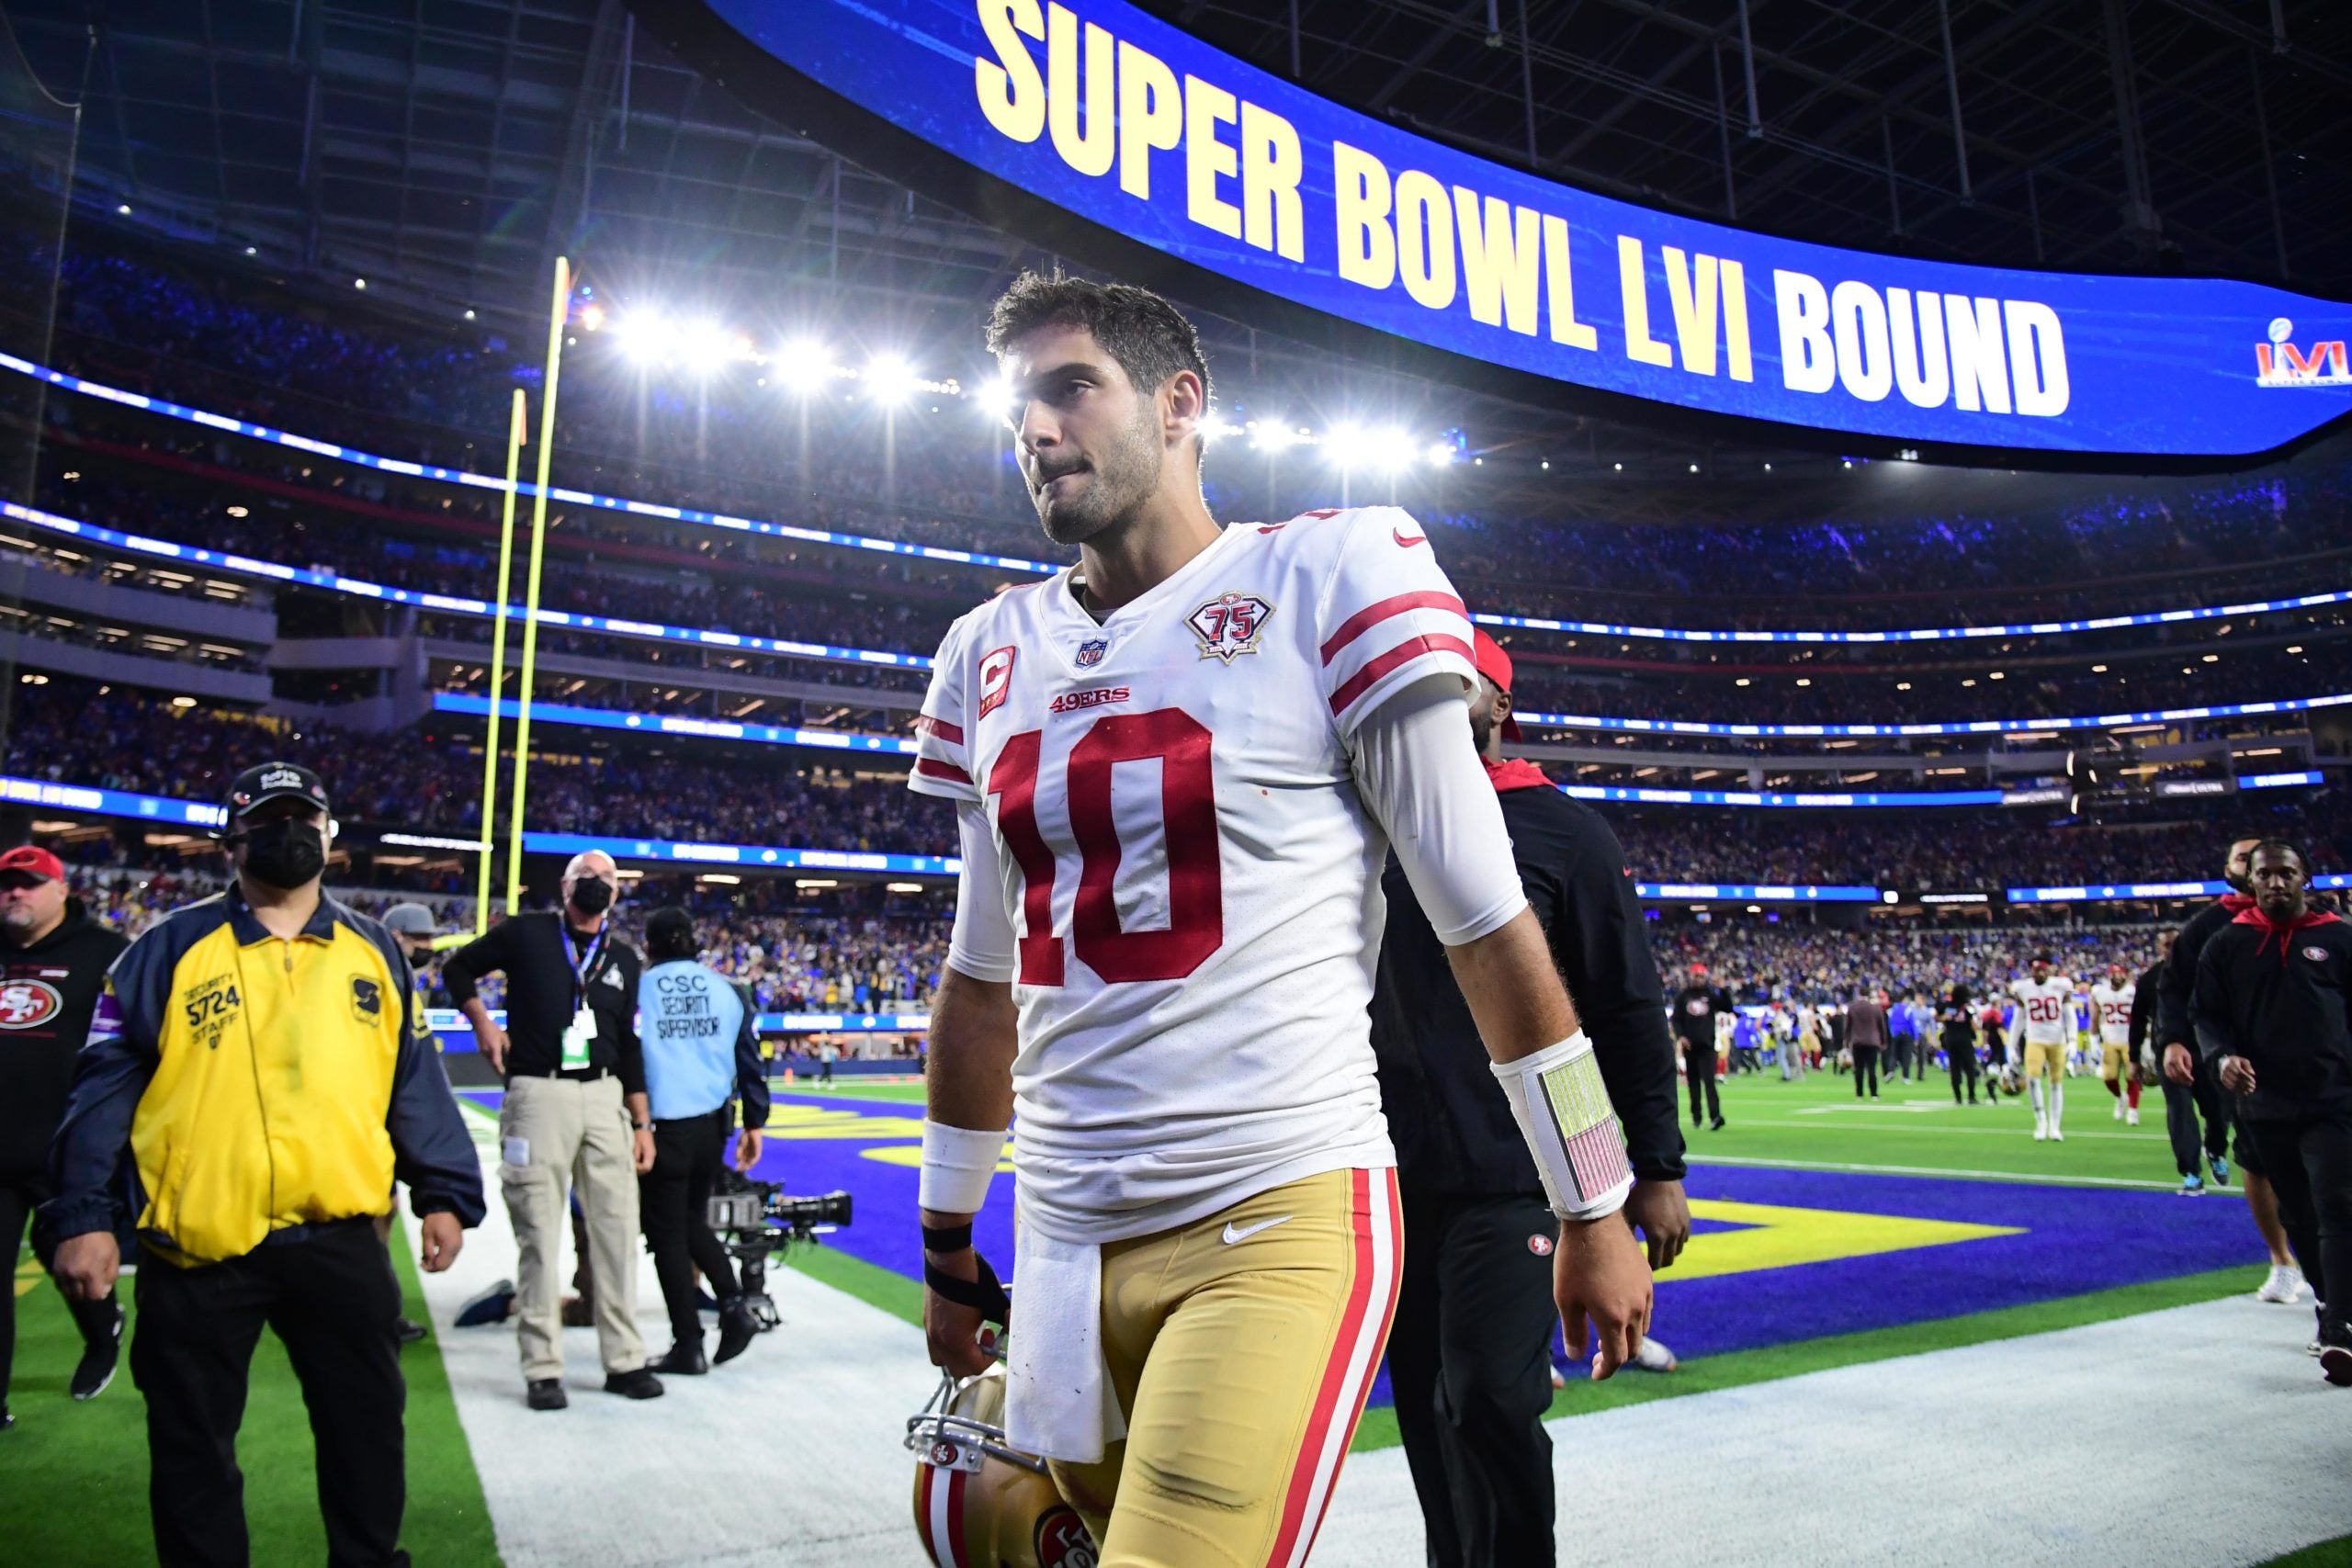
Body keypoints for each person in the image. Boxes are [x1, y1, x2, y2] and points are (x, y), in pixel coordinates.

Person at [909, 273, 1653, 1563]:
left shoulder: (1331, 567)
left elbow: (1486, 921)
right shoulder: (988, 644)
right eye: (1018, 400)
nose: (1034, 427)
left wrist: (1595, 1201)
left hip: (1271, 1202)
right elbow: (981, 982)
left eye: (1070, 385)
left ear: (1180, 402)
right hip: (1067, 1232)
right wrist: (943, 1241)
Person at [42, 761, 483, 1565]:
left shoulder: (376, 948)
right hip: (198, 1245)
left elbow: (412, 1077)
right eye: (269, 821)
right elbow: (100, 1091)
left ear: (328, 836)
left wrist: (444, 1191)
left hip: (342, 1236)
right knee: (192, 1453)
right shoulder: (165, 948)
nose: (290, 835)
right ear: (230, 841)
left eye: (304, 819)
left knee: (368, 1438)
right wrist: (80, 1216)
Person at [1371, 628, 1688, 1568]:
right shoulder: (1369, 819)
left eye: (1450, 684)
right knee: (1429, 1409)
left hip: (1523, 1170)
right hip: (1393, 1173)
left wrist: (1657, 1169)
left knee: (1490, 1396)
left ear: (1498, 707)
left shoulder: (1563, 833)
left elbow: (1629, 1007)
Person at [441, 851, 662, 1411]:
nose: (596, 885)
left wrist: (642, 1121)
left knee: (616, 1232)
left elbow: (628, 1043)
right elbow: (456, 967)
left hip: (605, 1094)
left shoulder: (624, 958)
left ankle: (625, 1359)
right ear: (565, 887)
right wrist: (482, 1021)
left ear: (618, 892)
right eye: (585, 877)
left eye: (607, 879)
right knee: (538, 1232)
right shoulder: (527, 933)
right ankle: (542, 1367)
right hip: (538, 1090)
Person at [2190, 840, 2352, 1385]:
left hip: (2335, 1099)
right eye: (2266, 875)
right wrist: (2221, 1058)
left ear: (2305, 876)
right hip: (2264, 1103)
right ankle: (2333, 1308)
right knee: (2298, 1215)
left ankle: (2339, 1326)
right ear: (2251, 881)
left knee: (2336, 1201)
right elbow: (2206, 1017)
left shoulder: (2339, 936)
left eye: (2287, 873)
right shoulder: (2226, 944)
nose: (2276, 883)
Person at [0, 844, 129, 1428]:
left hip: (66, 1153)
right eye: (7, 885)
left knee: (73, 1270)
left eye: (28, 884)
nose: (15, 893)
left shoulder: (106, 953)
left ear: (60, 890)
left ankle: (102, 1336)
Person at [2161, 836, 2305, 1303]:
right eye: (2243, 858)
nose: (2252, 866)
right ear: (2232, 869)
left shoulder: (2319, 924)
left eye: (2259, 858)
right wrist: (2174, 1040)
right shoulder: (2212, 928)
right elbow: (2177, 988)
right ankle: (2282, 1262)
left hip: (2320, 1065)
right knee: (2258, 1162)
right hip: (2244, 1068)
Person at [636, 907, 770, 1375]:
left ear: (650, 945)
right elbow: (749, 1059)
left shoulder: (640, 988)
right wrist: (755, 1124)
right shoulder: (729, 989)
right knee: (692, 1221)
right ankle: (734, 1306)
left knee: (667, 1233)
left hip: (661, 1126)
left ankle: (688, 1342)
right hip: (713, 1125)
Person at [379, 903, 446, 1347]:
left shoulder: (401, 980)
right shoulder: (383, 980)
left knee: (383, 1215)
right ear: (398, 936)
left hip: (385, 1115)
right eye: (420, 940)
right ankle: (374, 1313)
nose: (428, 948)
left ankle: (378, 1309)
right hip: (372, 1117)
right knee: (375, 1217)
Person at [2140, 953, 2225, 1197]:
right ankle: (2191, 1173)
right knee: (2180, 1111)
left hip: (2206, 1052)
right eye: (2167, 945)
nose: (2172, 949)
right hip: (2170, 1054)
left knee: (2218, 1111)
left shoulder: (2207, 971)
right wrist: (2136, 1055)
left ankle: (2215, 1150)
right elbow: (2139, 1015)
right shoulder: (2151, 979)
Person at [2009, 957, 2076, 1141]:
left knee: (2056, 1083)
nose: (2039, 973)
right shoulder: (2023, 988)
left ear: (2048, 970)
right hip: (2034, 1039)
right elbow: (2019, 1019)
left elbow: (2069, 1015)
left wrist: (2072, 1040)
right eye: (2036, 970)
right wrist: (2011, 1045)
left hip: (2057, 1040)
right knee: (2032, 1079)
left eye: (2042, 970)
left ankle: (2055, 1125)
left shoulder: (2060, 986)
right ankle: (2041, 1121)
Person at [1669, 963, 1730, 1130]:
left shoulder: (1710, 995)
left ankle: (1715, 1116)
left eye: (1701, 976)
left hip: (1707, 1046)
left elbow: (1727, 1007)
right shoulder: (1683, 996)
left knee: (1709, 1081)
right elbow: (1676, 1019)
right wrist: (1681, 1036)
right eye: (1696, 976)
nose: (1698, 979)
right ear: (1691, 976)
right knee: (1693, 1083)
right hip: (1690, 1047)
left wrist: (1723, 989)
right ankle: (1696, 1115)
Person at [2089, 963, 2142, 1125]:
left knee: (2132, 1076)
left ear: (2125, 976)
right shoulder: (2100, 992)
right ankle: (2120, 1098)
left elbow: (2144, 1014)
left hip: (2130, 1039)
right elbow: (2095, 1016)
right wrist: (2093, 1038)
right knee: (2109, 1077)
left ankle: (2133, 1111)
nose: (2117, 978)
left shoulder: (2133, 992)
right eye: (2114, 975)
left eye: (2120, 974)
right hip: (2110, 1039)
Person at [1941, 984, 1984, 1105]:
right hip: (1964, 1040)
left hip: (1950, 1039)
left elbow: (1942, 1018)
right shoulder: (1967, 1008)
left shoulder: (1949, 1007)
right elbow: (1975, 1026)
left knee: (1954, 1069)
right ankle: (1971, 1096)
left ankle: (1958, 1098)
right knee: (1970, 1068)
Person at [1847, 988, 1887, 1099]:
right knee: (1872, 1069)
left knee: (1858, 1069)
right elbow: (1881, 1027)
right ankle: (1874, 1093)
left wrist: (1847, 1041)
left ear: (1859, 994)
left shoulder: (1852, 1007)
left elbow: (1848, 1027)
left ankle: (1859, 1093)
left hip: (1857, 1041)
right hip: (1872, 1041)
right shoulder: (1875, 1008)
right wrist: (1883, 1041)